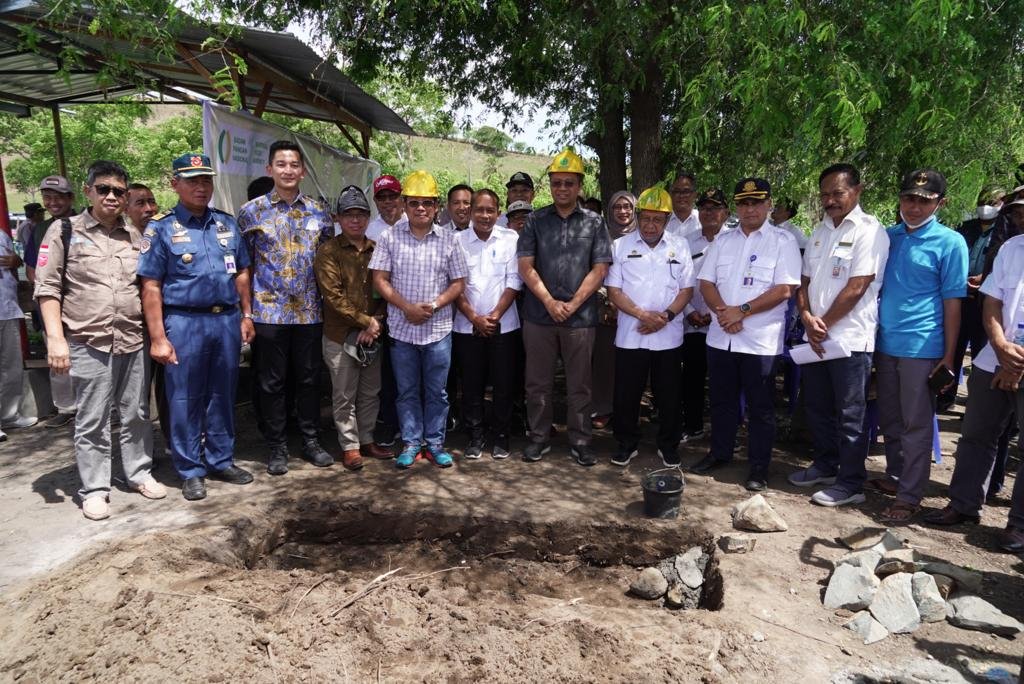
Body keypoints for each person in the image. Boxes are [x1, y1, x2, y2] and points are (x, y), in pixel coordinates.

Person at [34, 160, 165, 520]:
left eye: (118, 191)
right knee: (92, 419)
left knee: (137, 413)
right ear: (88, 191)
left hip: (132, 339)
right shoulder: (64, 231)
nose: (111, 196)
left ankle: (139, 473)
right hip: (88, 341)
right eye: (103, 189)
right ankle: (94, 489)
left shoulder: (135, 234)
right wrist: (55, 339)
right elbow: (47, 288)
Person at [137, 152, 255, 501]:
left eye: (205, 180)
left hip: (226, 320)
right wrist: (158, 337)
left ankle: (221, 459)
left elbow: (242, 272)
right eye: (192, 181)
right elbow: (151, 286)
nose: (201, 187)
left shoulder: (226, 224)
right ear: (175, 184)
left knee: (222, 393)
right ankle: (190, 469)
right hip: (184, 321)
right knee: (185, 397)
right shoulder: (161, 228)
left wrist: (246, 315)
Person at [869, 169, 968, 523]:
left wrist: (949, 355)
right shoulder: (888, 237)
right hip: (886, 342)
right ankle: (896, 476)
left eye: (924, 201)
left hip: (923, 345)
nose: (914, 207)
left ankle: (910, 496)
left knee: (916, 423)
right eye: (908, 198)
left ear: (941, 203)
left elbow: (953, 302)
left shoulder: (950, 242)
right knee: (890, 417)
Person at [788, 163, 889, 506]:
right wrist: (806, 317)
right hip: (816, 338)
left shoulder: (869, 231)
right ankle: (825, 465)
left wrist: (823, 323)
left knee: (850, 414)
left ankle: (851, 483)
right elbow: (803, 282)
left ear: (857, 191)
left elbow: (858, 286)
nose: (830, 200)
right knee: (817, 407)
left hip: (849, 340)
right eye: (825, 195)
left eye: (838, 193)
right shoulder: (819, 230)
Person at [691, 178, 802, 491]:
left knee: (760, 407)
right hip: (721, 336)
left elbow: (784, 288)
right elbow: (706, 283)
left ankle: (758, 467)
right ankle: (720, 452)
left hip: (759, 341)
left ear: (768, 204)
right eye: (743, 203)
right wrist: (724, 313)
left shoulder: (783, 241)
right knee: (721, 401)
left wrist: (742, 311)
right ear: (736, 207)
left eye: (756, 202)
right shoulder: (723, 241)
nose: (750, 209)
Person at [922, 229, 1024, 552]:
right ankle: (963, 504)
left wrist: (1016, 363)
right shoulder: (1012, 248)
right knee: (976, 435)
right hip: (994, 358)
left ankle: (1019, 525)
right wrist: (1001, 346)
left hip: (1014, 361)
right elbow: (992, 301)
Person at [238, 140, 334, 475]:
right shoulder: (251, 212)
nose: (288, 170)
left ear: (302, 171)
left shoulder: (319, 212)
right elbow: (244, 266)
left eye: (294, 165)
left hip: (309, 312)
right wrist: (246, 312)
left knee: (309, 379)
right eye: (281, 164)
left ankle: (310, 440)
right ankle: (276, 445)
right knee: (271, 382)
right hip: (269, 312)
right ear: (270, 169)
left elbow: (327, 264)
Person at [517, 148, 613, 466]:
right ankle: (538, 437)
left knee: (580, 385)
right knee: (537, 383)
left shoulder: (595, 223)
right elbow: (526, 266)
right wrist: (549, 302)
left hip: (581, 317)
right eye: (556, 183)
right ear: (550, 185)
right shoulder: (535, 220)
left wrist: (571, 305)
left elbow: (600, 269)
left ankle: (581, 440)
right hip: (538, 316)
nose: (562, 188)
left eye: (568, 183)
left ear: (579, 186)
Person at [369, 170, 467, 469]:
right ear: (405, 204)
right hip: (402, 330)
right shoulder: (389, 237)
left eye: (427, 202)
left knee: (437, 392)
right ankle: (412, 442)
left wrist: (434, 306)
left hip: (438, 330)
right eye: (414, 202)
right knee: (407, 391)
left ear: (436, 206)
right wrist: (406, 308)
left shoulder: (449, 240)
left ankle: (435, 443)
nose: (420, 208)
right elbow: (379, 280)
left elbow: (458, 283)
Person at [606, 186, 694, 467]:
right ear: (638, 216)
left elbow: (686, 290)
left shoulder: (680, 245)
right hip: (631, 335)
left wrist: (665, 317)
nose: (650, 225)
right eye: (645, 218)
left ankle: (668, 445)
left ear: (667, 220)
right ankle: (626, 443)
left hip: (668, 336)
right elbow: (614, 291)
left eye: (657, 219)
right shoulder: (620, 246)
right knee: (626, 394)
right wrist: (643, 315)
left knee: (669, 395)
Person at [315, 185, 391, 471]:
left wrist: (375, 322)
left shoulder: (377, 249)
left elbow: (386, 288)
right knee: (344, 394)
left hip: (372, 334)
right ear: (338, 218)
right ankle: (350, 446)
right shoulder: (328, 251)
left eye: (361, 214)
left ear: (368, 217)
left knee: (370, 391)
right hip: (340, 335)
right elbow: (333, 297)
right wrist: (365, 321)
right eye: (349, 215)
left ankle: (367, 439)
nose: (355, 220)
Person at [452, 189, 521, 459]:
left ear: (498, 213)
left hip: (504, 325)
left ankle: (501, 435)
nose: (484, 215)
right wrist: (474, 318)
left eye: (490, 210)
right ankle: (475, 436)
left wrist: (494, 315)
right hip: (466, 326)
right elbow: (455, 284)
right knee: (472, 385)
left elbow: (514, 280)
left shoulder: (510, 239)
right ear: (470, 212)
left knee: (504, 384)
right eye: (479, 210)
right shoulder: (457, 241)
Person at [937, 195, 1003, 412]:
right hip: (959, 297)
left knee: (980, 353)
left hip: (986, 302)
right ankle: (945, 397)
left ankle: (975, 405)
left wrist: (984, 278)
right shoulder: (964, 227)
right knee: (953, 349)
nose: (986, 207)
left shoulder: (1003, 230)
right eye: (983, 202)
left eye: (993, 203)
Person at [24, 175, 77, 428]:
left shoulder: (84, 223)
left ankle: (104, 409)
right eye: (47, 197)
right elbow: (31, 268)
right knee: (58, 359)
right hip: (52, 307)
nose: (53, 202)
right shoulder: (40, 229)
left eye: (58, 197)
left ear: (71, 198)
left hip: (83, 306)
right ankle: (66, 408)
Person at [681, 188, 731, 442]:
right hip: (692, 322)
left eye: (715, 208)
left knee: (725, 382)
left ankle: (727, 434)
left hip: (724, 323)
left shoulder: (734, 241)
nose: (709, 212)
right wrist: (689, 311)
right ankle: (693, 426)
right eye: (704, 208)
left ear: (726, 212)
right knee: (692, 377)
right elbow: (677, 281)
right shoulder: (686, 242)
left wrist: (715, 312)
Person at [591, 191, 637, 430]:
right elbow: (595, 272)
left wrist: (630, 306)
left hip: (637, 311)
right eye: (617, 207)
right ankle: (603, 407)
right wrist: (608, 302)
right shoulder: (601, 237)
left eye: (627, 207)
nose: (623, 211)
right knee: (604, 363)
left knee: (632, 364)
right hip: (606, 311)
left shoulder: (645, 237)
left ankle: (628, 409)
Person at [366, 174, 404, 448]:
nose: (388, 202)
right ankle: (389, 422)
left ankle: (411, 425)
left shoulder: (415, 223)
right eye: (382, 197)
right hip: (380, 312)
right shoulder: (370, 231)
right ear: (376, 201)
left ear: (401, 198)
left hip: (410, 312)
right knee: (386, 373)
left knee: (409, 373)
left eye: (393, 196)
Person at [0, 226, 33, 438]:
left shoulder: (2, 235)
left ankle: (9, 415)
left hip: (7, 309)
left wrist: (15, 261)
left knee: (11, 366)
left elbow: (16, 263)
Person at [665, 172, 700, 240]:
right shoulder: (662, 220)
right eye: (677, 191)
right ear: (670, 194)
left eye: (686, 191)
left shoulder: (702, 220)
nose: (681, 195)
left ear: (695, 194)